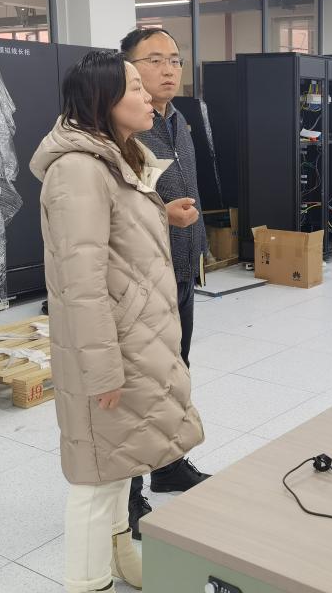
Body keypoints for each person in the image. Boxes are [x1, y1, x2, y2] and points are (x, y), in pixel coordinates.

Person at [31, 50, 204, 592]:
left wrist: (160, 214)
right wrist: (102, 369)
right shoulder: (78, 170)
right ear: (103, 100)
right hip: (111, 346)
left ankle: (120, 556)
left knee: (121, 459)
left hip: (136, 338)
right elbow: (80, 283)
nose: (149, 96)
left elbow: (114, 234)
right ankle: (87, 581)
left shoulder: (116, 157)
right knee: (95, 475)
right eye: (135, 86)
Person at [120, 27, 211, 536]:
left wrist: (197, 246)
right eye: (154, 60)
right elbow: (121, 210)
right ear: (127, 68)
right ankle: (128, 493)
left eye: (175, 59)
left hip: (180, 269)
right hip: (141, 279)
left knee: (177, 373)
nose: (169, 69)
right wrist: (164, 218)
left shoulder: (179, 120)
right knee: (141, 385)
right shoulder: (121, 129)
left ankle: (169, 465)